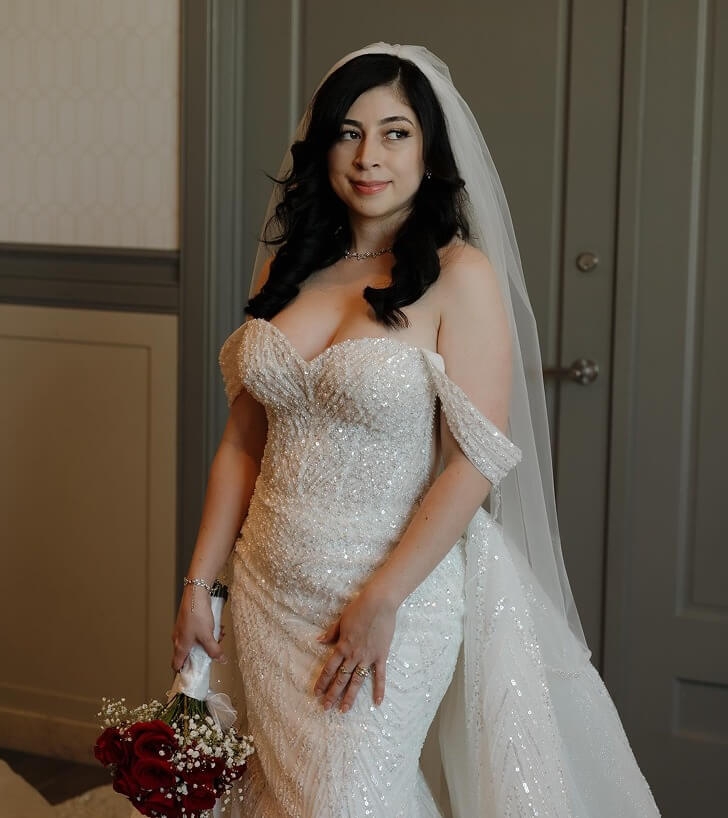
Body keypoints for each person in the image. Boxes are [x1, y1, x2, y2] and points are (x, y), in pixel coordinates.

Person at [172, 44, 660, 817]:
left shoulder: (458, 276)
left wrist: (383, 599)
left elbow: (473, 461)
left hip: (389, 593)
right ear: (323, 145)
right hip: (268, 592)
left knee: (347, 801)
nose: (370, 157)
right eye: (349, 132)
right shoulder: (286, 270)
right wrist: (203, 585)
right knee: (275, 797)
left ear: (429, 151)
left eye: (396, 133)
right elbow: (243, 441)